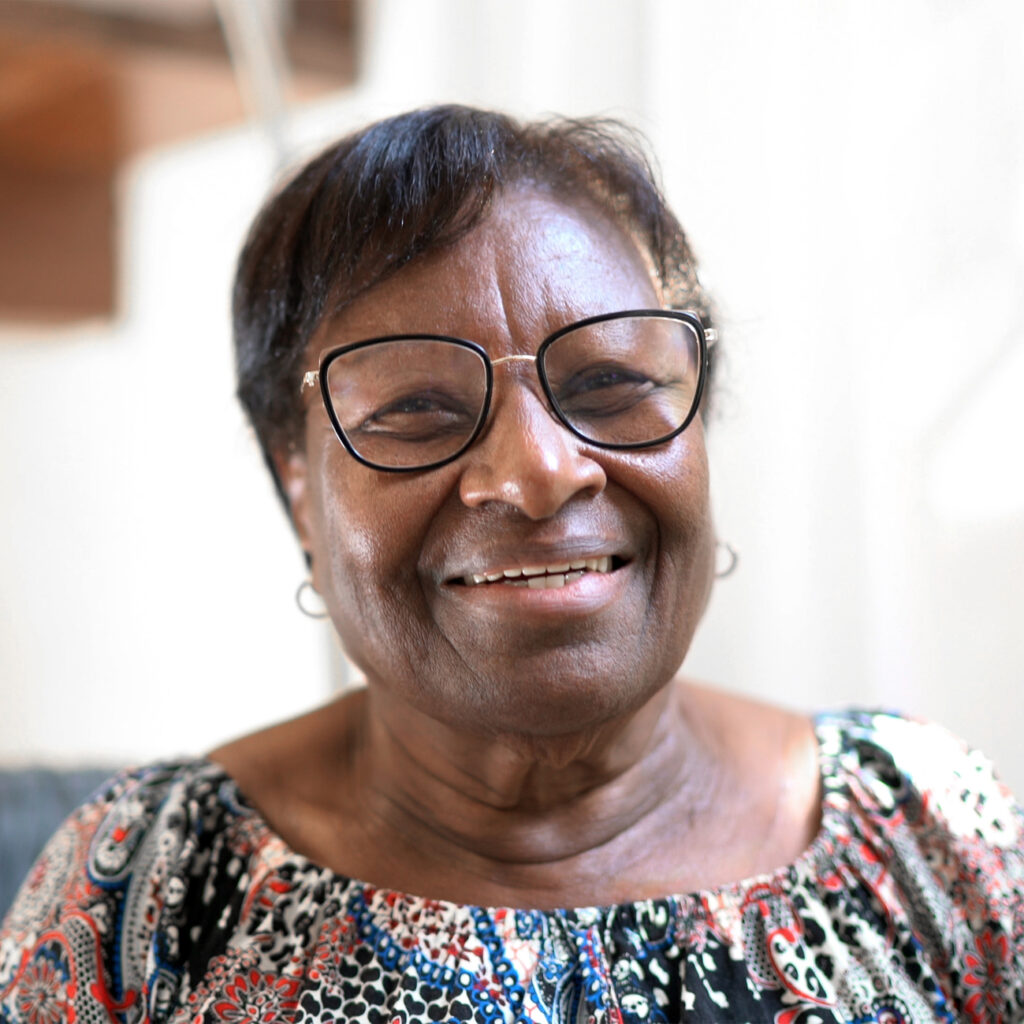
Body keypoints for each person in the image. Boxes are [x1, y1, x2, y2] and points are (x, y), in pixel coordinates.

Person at [1, 105, 1021, 1024]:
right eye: (416, 409)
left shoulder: (923, 823)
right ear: (300, 489)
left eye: (613, 382)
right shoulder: (142, 886)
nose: (539, 471)